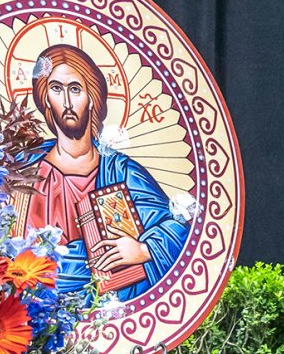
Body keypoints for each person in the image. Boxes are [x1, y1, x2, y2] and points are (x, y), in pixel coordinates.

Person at [19, 44, 188, 301]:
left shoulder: (121, 170)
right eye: (56, 89)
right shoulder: (22, 170)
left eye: (75, 89)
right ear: (45, 99)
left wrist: (144, 249)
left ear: (92, 98)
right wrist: (83, 259)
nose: (66, 102)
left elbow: (178, 227)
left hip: (114, 317)